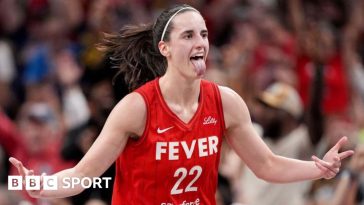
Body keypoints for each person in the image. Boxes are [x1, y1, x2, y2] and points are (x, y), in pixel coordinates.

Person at [9, 4, 354, 205]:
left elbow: (265, 164)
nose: (200, 42)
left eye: (203, 33)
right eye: (188, 36)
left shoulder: (226, 101)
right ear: (165, 48)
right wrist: (42, 185)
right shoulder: (137, 108)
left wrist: (318, 169)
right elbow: (83, 176)